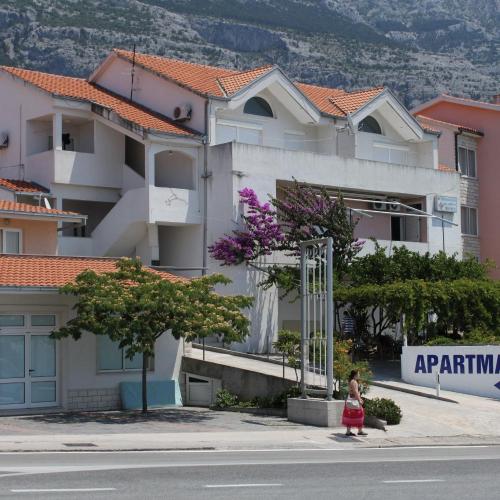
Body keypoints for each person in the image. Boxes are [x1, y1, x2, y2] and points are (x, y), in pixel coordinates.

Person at [342, 369, 367, 437]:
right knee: (360, 414)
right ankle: (359, 431)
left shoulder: (351, 381)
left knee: (349, 416)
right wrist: (359, 400)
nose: (359, 375)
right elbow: (356, 392)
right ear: (355, 375)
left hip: (350, 400)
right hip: (354, 401)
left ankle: (348, 431)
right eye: (358, 374)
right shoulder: (354, 382)